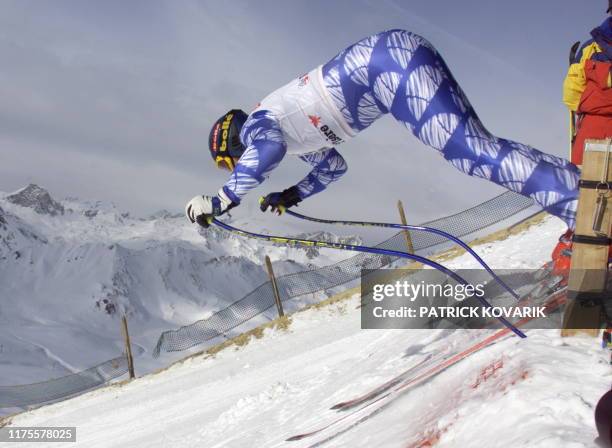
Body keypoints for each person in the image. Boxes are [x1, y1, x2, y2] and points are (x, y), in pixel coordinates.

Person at [186, 29, 580, 229]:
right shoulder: (289, 135)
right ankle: (577, 191)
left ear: (233, 144)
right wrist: (290, 193)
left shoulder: (260, 124)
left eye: (228, 163)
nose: (233, 168)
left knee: (470, 151)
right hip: (388, 67)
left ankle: (578, 202)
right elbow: (334, 167)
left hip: (384, 65)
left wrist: (222, 198)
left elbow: (265, 151)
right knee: (473, 149)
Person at [563, 5, 612, 166]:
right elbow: (572, 92)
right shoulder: (590, 48)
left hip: (592, 129)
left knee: (587, 185)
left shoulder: (589, 48)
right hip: (594, 129)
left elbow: (572, 94)